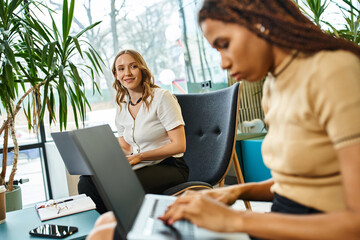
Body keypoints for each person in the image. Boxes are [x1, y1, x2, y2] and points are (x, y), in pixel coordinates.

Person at [88, 1, 360, 239]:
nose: (222, 64)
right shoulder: (275, 84)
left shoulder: (333, 71)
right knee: (106, 222)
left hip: (303, 229)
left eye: (224, 45)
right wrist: (231, 192)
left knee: (108, 234)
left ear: (259, 23)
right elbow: (297, 184)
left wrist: (236, 219)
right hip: (282, 222)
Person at [78, 49, 189, 214]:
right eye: (121, 69)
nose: (127, 73)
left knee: (119, 187)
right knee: (86, 181)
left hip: (169, 165)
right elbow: (126, 147)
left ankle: (120, 229)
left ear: (142, 69)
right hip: (140, 164)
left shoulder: (162, 97)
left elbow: (179, 146)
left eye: (133, 66)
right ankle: (108, 227)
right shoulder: (122, 104)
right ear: (116, 75)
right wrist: (100, 154)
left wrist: (141, 156)